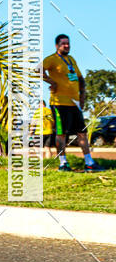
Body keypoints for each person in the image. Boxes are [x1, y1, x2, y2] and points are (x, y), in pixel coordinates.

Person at [42, 35, 100, 172]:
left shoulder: (71, 59)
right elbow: (37, 70)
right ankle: (63, 164)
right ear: (57, 45)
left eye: (68, 43)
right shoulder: (51, 59)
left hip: (75, 104)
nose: (66, 46)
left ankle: (89, 162)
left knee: (82, 133)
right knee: (61, 134)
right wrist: (52, 82)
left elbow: (80, 78)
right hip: (59, 103)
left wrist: (83, 97)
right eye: (63, 44)